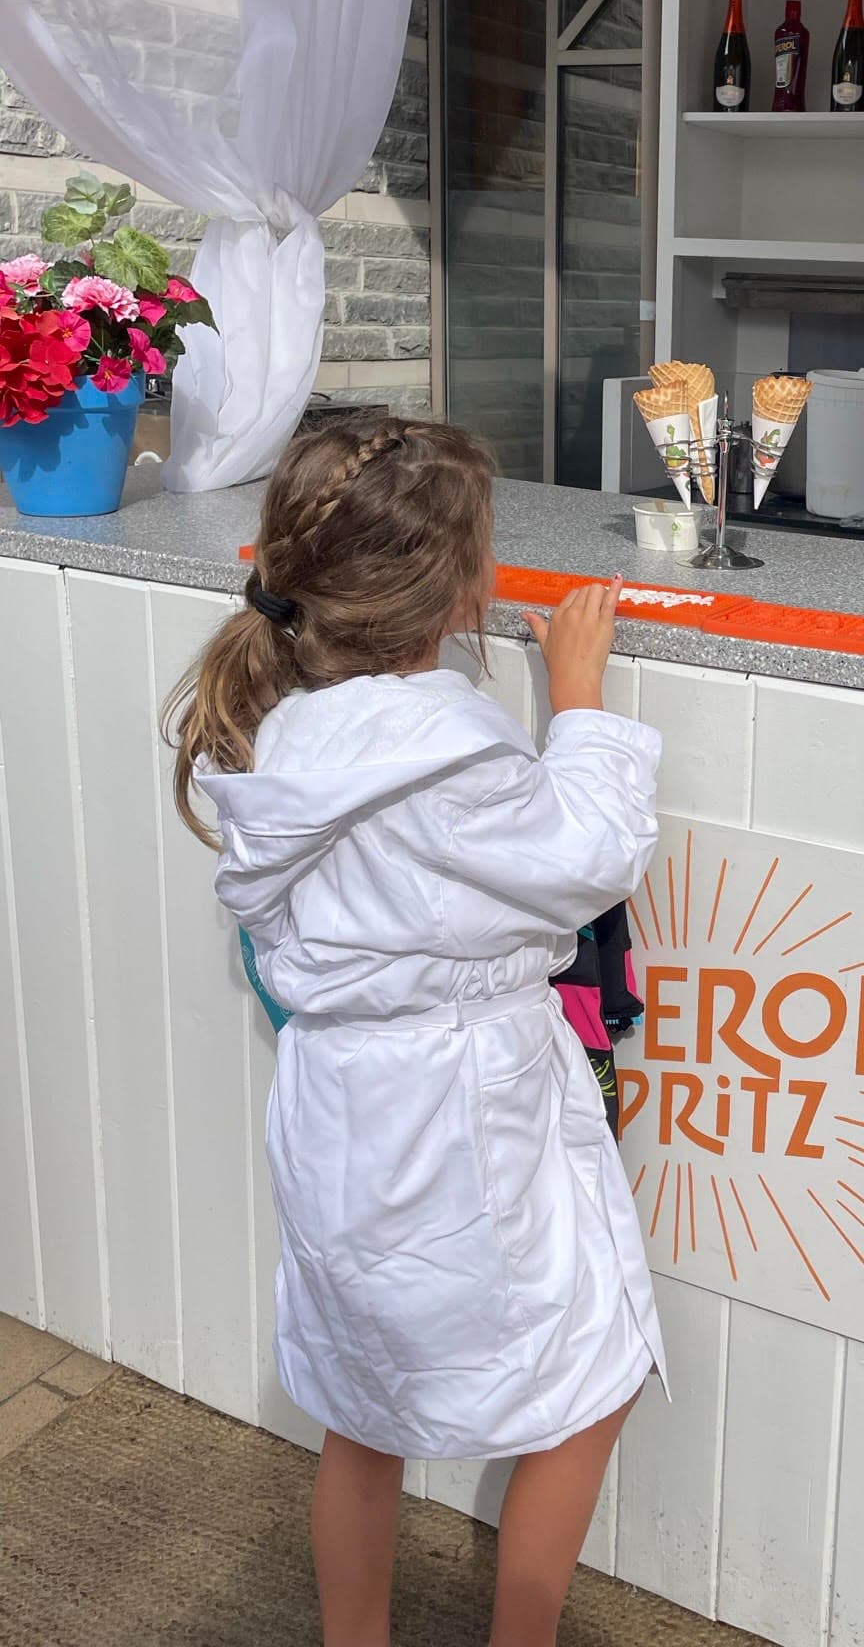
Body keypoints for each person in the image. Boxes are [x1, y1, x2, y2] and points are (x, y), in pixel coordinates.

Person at [162, 419, 664, 1647]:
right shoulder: (449, 753)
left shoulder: (283, 738)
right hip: (466, 1109)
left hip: (342, 1108)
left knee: (363, 1401)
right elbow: (586, 857)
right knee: (587, 1376)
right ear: (459, 590)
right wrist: (584, 704)